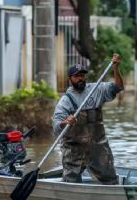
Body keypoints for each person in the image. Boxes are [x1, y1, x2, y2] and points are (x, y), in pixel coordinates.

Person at [52, 54, 124, 184]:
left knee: (111, 181)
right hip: (74, 149)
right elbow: (56, 127)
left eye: (82, 75)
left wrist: (115, 68)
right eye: (77, 76)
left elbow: (118, 87)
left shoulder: (96, 90)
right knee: (70, 182)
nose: (80, 78)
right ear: (70, 79)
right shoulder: (65, 101)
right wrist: (66, 122)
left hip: (98, 146)